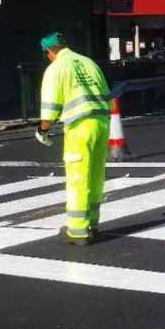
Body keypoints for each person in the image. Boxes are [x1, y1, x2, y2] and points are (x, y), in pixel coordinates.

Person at [35, 32, 111, 245]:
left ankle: (77, 231)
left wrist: (43, 129)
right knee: (96, 176)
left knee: (78, 178)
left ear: (49, 51)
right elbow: (106, 94)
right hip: (102, 123)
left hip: (80, 127)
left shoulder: (56, 69)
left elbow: (50, 109)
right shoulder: (89, 63)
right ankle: (92, 224)